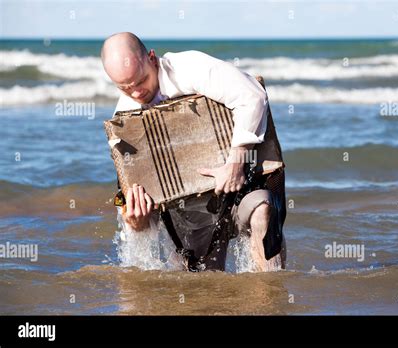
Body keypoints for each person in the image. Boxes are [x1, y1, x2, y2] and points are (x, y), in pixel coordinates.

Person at [101, 32, 286, 272]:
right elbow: (129, 191)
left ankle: (268, 305)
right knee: (199, 289)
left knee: (263, 213)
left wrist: (236, 161)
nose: (137, 93)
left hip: (243, 182)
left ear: (152, 58)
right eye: (125, 88)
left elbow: (253, 95)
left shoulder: (190, 68)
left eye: (141, 81)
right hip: (188, 212)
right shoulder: (123, 120)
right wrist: (136, 222)